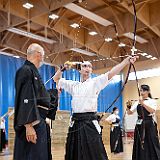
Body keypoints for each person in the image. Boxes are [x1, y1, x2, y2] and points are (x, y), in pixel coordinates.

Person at [53, 55, 137, 160]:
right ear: (80, 70)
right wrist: (62, 68)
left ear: (91, 70)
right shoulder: (74, 85)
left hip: (89, 122)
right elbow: (56, 78)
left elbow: (111, 74)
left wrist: (126, 61)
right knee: (74, 151)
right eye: (84, 66)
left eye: (89, 66)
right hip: (75, 122)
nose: (87, 68)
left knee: (95, 152)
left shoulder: (95, 82)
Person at [14, 43, 57, 160]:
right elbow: (25, 98)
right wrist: (28, 125)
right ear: (38, 55)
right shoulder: (26, 70)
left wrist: (55, 92)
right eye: (43, 55)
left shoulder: (33, 72)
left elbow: (40, 97)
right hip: (32, 125)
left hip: (38, 123)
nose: (43, 59)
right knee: (32, 156)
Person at [127, 84, 160, 160]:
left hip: (149, 124)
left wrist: (143, 104)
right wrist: (128, 107)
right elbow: (130, 112)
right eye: (140, 90)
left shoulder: (152, 101)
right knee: (140, 141)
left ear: (148, 91)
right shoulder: (137, 102)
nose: (141, 92)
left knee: (151, 141)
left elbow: (152, 111)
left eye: (143, 90)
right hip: (140, 124)